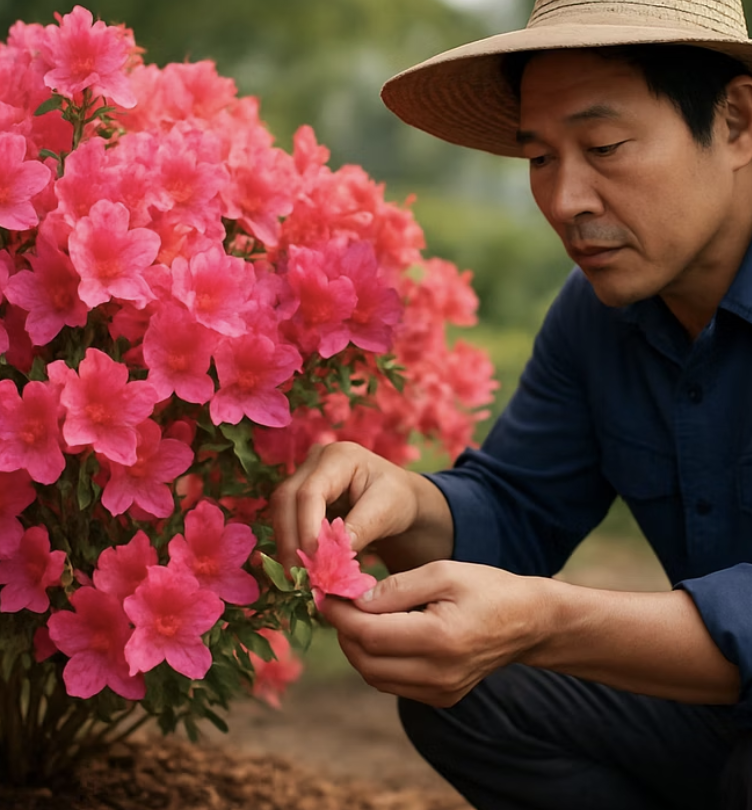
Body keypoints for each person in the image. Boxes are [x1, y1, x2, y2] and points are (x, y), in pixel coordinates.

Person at [269, 1, 752, 807]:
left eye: (604, 147)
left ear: (736, 121)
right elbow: (519, 508)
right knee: (472, 694)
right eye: (539, 158)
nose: (564, 201)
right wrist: (402, 500)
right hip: (722, 715)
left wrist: (549, 620)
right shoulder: (598, 315)